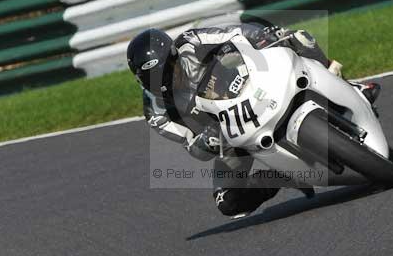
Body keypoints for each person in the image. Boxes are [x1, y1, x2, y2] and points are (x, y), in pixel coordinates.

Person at [126, 23, 376, 218]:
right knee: (228, 202)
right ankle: (282, 175)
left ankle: (351, 86)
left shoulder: (192, 41)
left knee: (297, 37)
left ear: (174, 56)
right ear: (141, 81)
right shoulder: (155, 113)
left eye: (167, 69)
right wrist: (206, 142)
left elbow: (235, 33)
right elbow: (192, 146)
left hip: (251, 84)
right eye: (152, 78)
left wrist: (264, 37)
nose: (165, 80)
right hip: (228, 133)